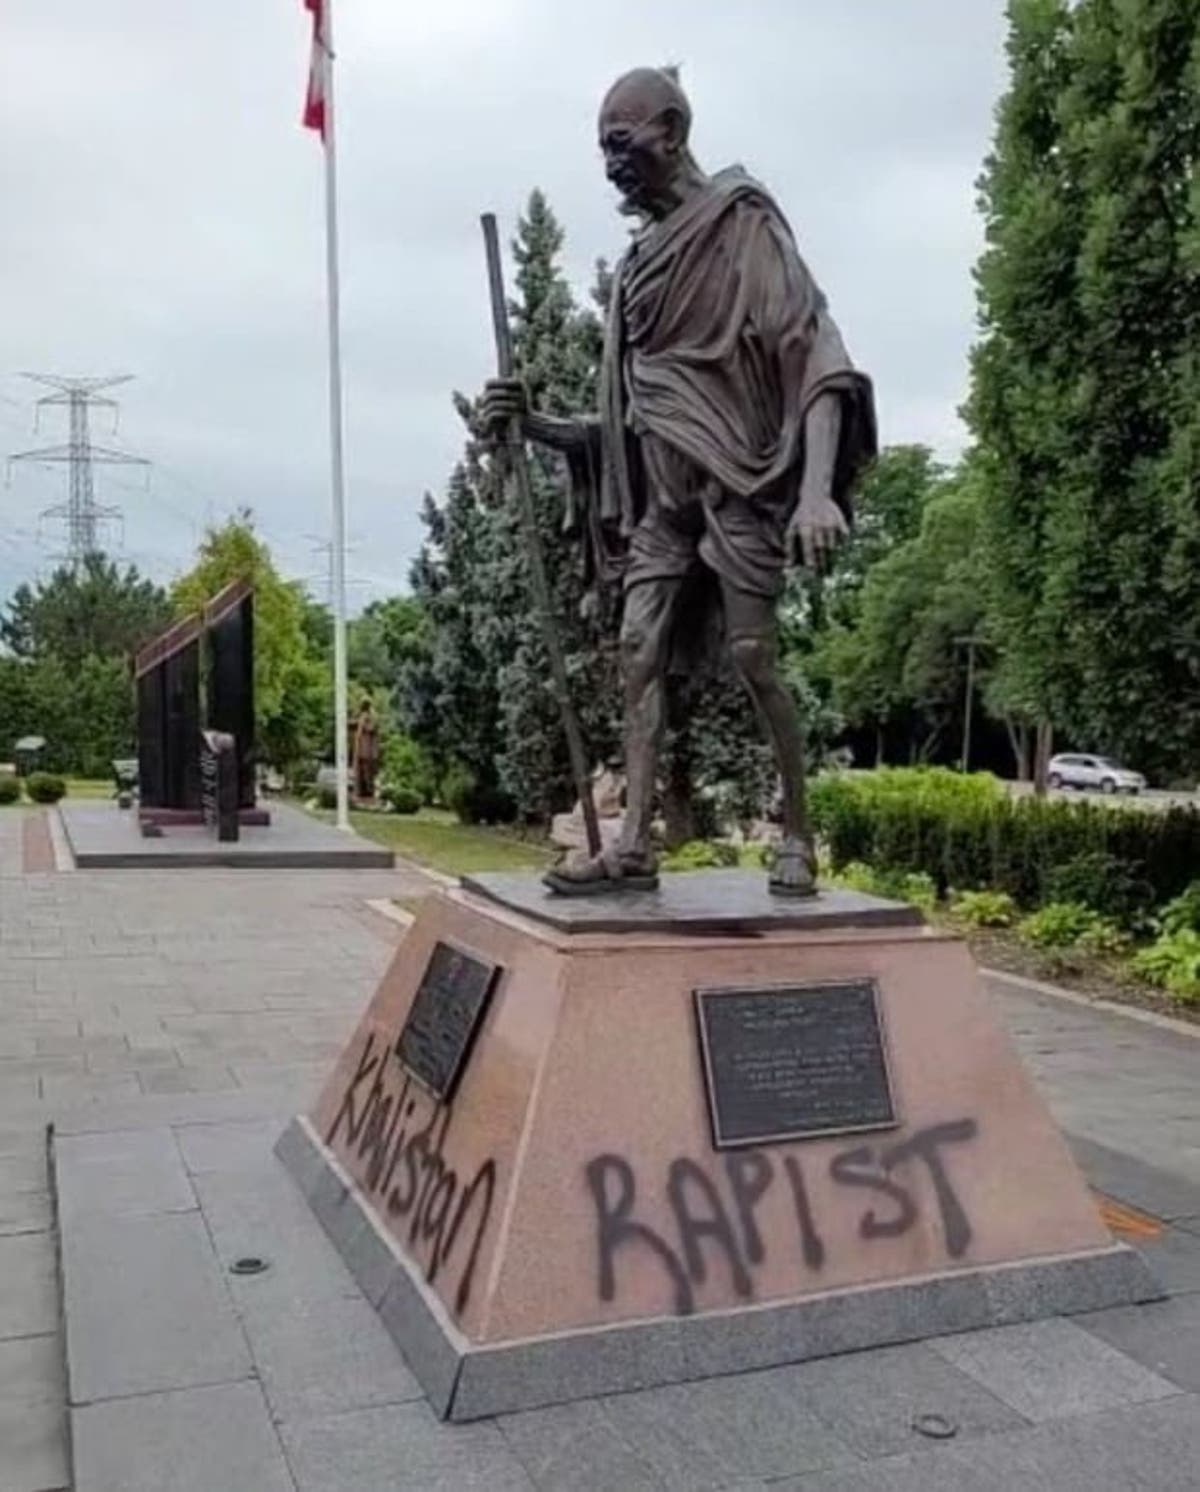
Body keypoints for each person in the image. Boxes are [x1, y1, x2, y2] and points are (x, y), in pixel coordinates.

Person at [481, 66, 876, 896]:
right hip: (663, 502)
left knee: (753, 657)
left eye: (620, 145)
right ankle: (632, 843)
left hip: (741, 484)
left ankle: (799, 835)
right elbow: (624, 423)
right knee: (636, 655)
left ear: (670, 130)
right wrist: (535, 425)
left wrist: (813, 492)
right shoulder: (637, 269)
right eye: (601, 151)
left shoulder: (741, 225)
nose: (610, 166)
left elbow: (815, 356)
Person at [351, 698, 380, 802]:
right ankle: (359, 792)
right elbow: (353, 725)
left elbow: (372, 728)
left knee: (368, 772)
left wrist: (364, 723)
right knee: (360, 771)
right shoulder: (361, 716)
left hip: (367, 750)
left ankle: (368, 793)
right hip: (360, 749)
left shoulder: (371, 717)